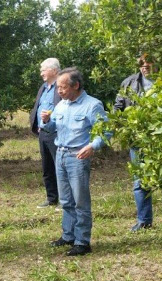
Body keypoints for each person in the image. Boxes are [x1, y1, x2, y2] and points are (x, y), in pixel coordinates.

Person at [40, 67, 109, 256]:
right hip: (60, 155)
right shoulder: (61, 105)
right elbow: (53, 126)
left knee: (80, 201)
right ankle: (68, 235)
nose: (59, 91)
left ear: (76, 85)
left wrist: (92, 146)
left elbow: (105, 131)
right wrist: (47, 120)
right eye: (58, 88)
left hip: (77, 157)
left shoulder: (92, 105)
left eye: (62, 87)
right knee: (66, 200)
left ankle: (82, 241)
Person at [114, 54, 162, 235]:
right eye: (142, 64)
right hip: (138, 138)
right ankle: (144, 220)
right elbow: (118, 106)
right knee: (140, 180)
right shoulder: (128, 83)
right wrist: (119, 124)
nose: (145, 67)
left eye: (149, 64)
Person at [29, 58, 62, 208]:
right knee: (47, 167)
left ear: (54, 70)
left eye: (43, 69)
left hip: (56, 131)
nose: (41, 72)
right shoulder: (43, 87)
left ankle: (65, 200)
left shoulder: (61, 86)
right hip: (43, 132)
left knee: (60, 167)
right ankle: (51, 198)